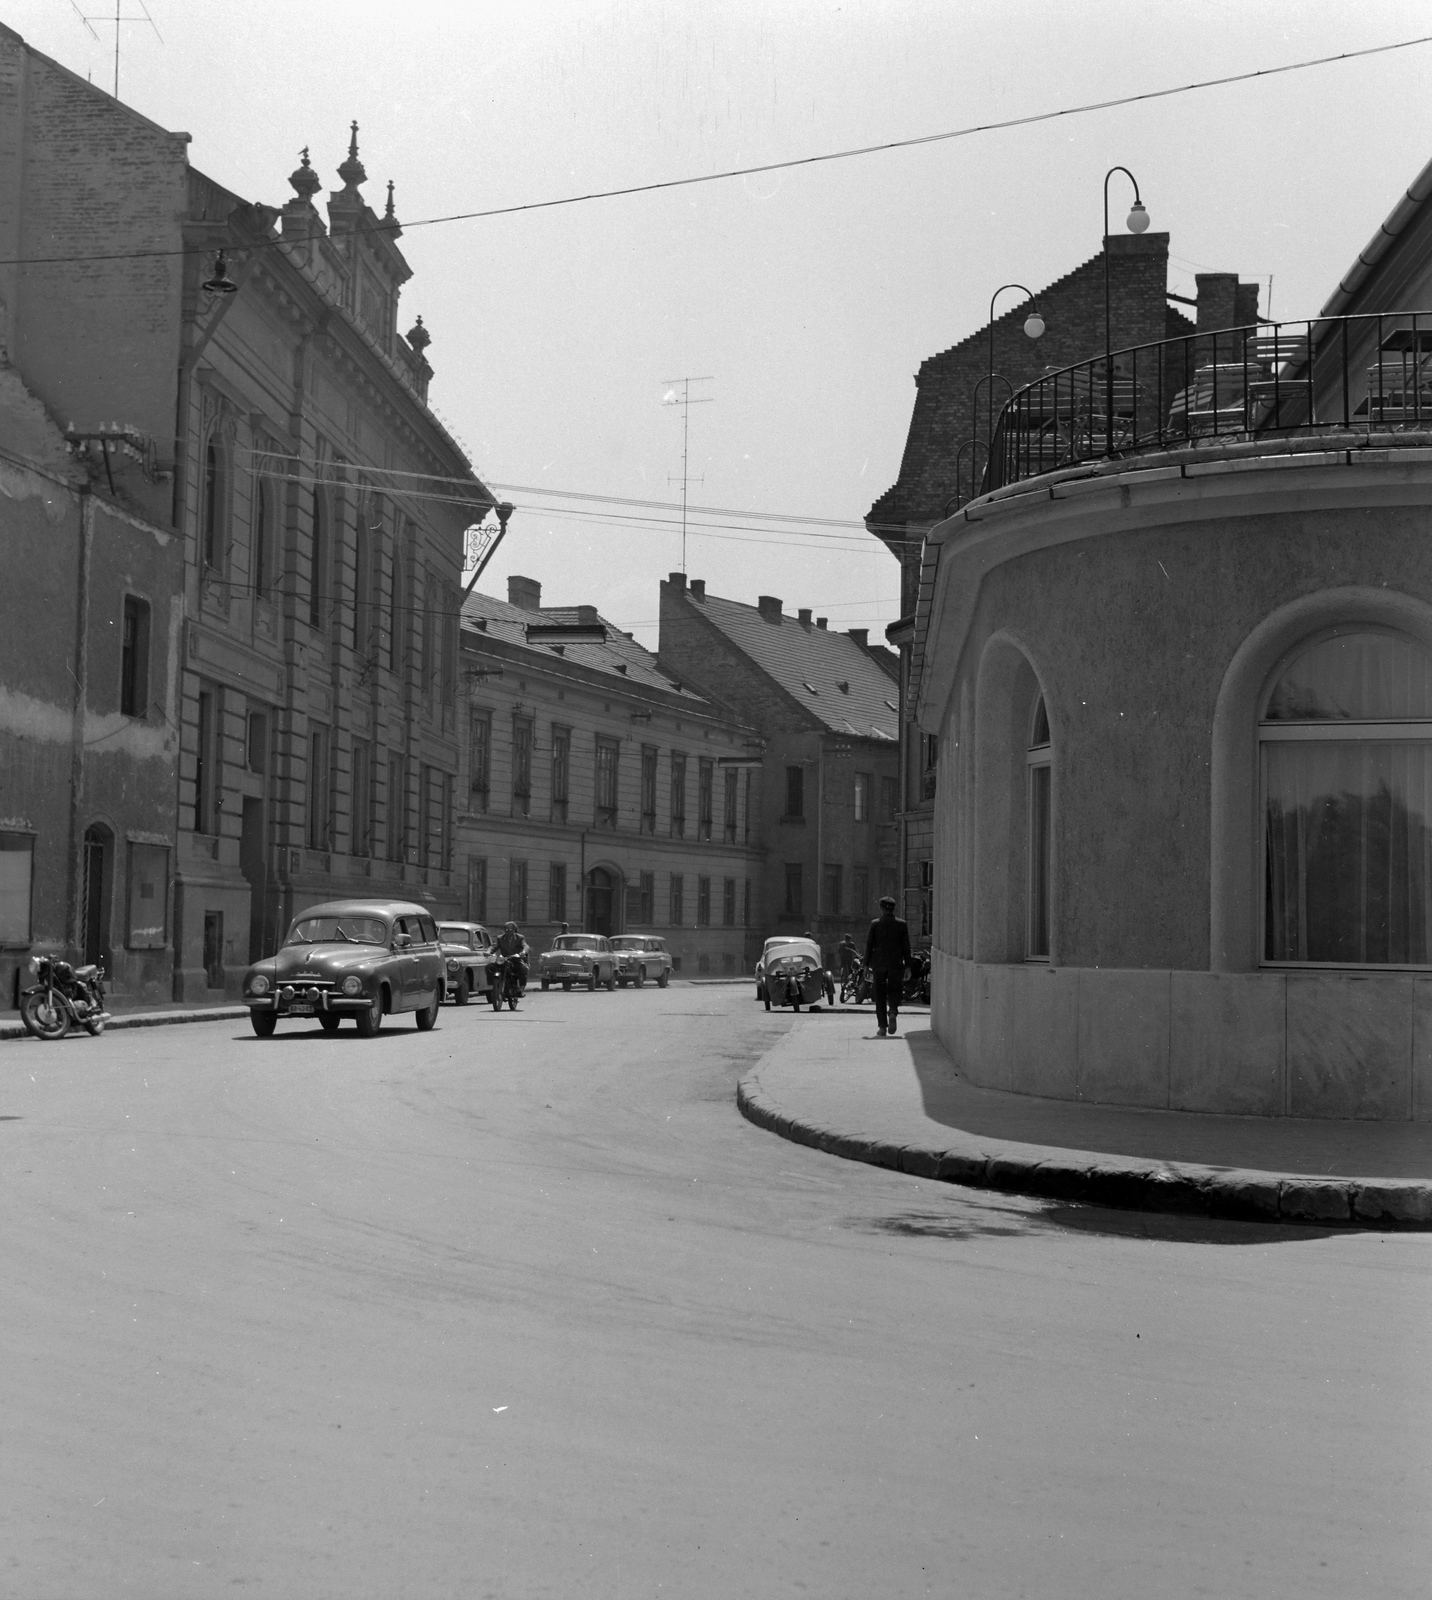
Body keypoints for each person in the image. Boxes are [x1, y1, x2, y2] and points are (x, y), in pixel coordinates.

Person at [864, 895, 911, 1038]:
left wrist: (866, 965)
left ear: (881, 908)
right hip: (896, 964)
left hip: (879, 965)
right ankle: (892, 1012)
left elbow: (869, 946)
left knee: (879, 994)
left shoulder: (875, 924)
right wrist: (908, 966)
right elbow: (906, 947)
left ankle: (882, 1027)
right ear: (893, 909)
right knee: (895, 990)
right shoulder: (901, 924)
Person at [495, 920, 530, 996]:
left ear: (514, 930)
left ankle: (521, 988)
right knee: (491, 967)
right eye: (506, 930)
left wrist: (523, 952)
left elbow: (525, 946)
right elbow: (494, 946)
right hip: (504, 959)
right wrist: (488, 952)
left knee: (524, 968)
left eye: (510, 930)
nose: (508, 932)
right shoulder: (500, 938)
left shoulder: (520, 938)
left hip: (516, 959)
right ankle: (495, 986)